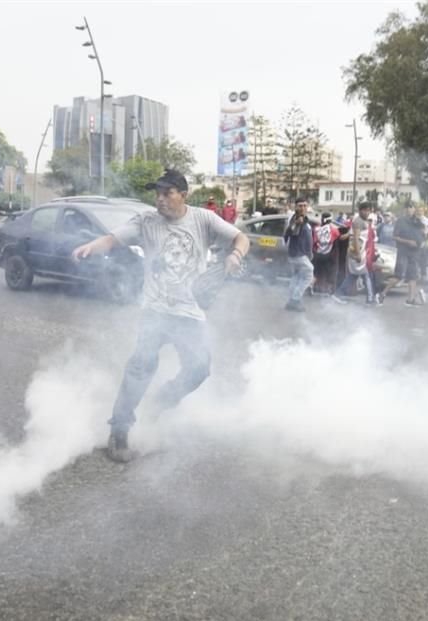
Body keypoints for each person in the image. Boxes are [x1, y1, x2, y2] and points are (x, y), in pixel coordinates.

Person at [71, 170, 250, 462]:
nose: (160, 199)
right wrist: (92, 247)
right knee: (140, 368)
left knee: (200, 368)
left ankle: (160, 402)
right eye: (158, 193)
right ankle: (119, 431)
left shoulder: (203, 219)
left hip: (190, 313)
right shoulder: (146, 221)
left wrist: (235, 256)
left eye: (167, 193)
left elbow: (241, 237)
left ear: (184, 195)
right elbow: (112, 239)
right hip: (155, 311)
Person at [379, 203, 426, 307]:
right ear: (405, 209)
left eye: (412, 207)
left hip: (414, 252)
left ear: (414, 209)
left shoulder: (417, 221)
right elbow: (395, 237)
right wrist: (408, 241)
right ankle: (382, 294)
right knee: (399, 276)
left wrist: (422, 238)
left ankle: (410, 300)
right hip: (403, 252)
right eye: (408, 207)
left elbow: (423, 234)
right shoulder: (400, 221)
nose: (410, 209)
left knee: (413, 276)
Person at [334, 202, 377, 304]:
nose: (367, 212)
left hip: (360, 252)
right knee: (366, 274)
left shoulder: (362, 221)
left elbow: (354, 234)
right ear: (360, 210)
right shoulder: (358, 222)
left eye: (368, 210)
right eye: (365, 210)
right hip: (358, 252)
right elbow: (356, 239)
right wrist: (357, 254)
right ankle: (370, 298)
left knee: (353, 275)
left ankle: (338, 294)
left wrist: (347, 235)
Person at [283, 199, 314, 311]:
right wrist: (296, 224)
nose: (303, 208)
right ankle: (295, 300)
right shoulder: (295, 219)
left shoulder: (304, 220)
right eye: (300, 206)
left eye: (305, 206)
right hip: (298, 254)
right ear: (295, 207)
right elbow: (290, 232)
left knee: (296, 277)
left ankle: (291, 300)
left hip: (300, 254)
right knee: (309, 274)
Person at [312, 211, 341, 294]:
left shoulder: (316, 229)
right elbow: (339, 237)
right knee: (329, 273)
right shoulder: (334, 230)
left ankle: (312, 287)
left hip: (318, 255)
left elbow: (314, 241)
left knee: (317, 272)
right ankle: (329, 290)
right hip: (329, 256)